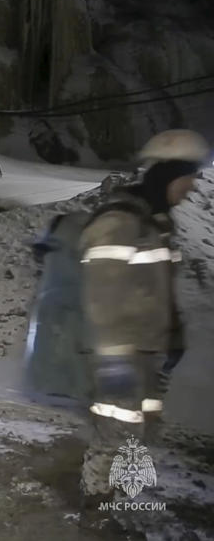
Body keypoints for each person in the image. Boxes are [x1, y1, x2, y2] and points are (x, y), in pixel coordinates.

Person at [79, 129, 208, 524]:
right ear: (168, 174)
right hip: (122, 357)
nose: (191, 188)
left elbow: (158, 294)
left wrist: (173, 342)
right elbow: (100, 295)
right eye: (188, 177)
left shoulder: (156, 224)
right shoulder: (120, 221)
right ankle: (95, 512)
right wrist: (116, 360)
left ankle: (115, 500)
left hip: (149, 355)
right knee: (115, 436)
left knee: (137, 436)